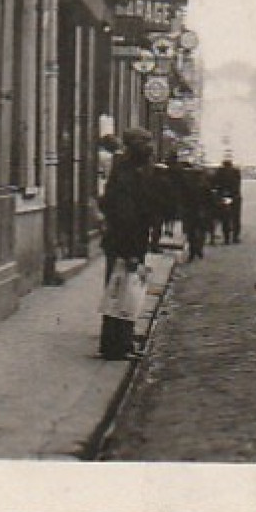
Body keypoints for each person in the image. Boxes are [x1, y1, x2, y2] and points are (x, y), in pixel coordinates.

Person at [98, 129, 154, 360]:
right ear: (134, 147)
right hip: (124, 243)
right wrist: (130, 251)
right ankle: (116, 347)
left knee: (126, 292)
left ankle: (122, 342)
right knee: (120, 294)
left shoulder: (131, 170)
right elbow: (125, 216)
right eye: (145, 143)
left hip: (129, 242)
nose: (150, 148)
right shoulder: (127, 173)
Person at [179, 163, 215, 261]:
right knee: (199, 232)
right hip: (199, 212)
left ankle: (194, 250)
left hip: (194, 212)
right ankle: (197, 249)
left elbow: (183, 199)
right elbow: (211, 201)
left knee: (193, 233)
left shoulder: (189, 186)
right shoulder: (204, 186)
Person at [213, 156, 244, 243]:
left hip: (224, 196)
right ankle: (235, 237)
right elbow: (237, 184)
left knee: (225, 217)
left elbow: (214, 183)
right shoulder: (235, 172)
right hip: (234, 197)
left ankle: (227, 237)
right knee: (235, 218)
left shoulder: (219, 172)